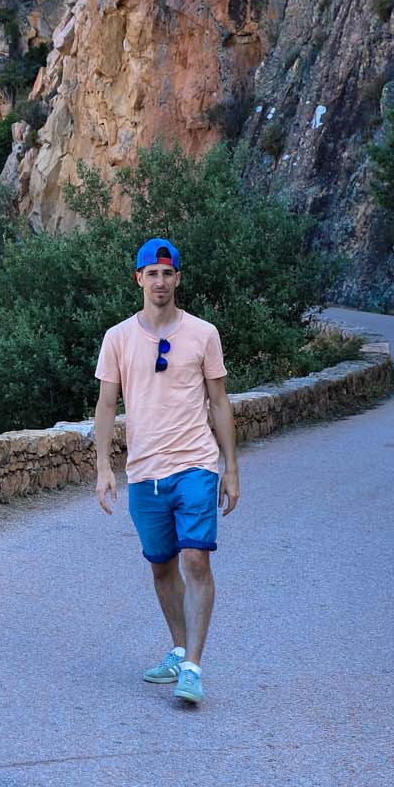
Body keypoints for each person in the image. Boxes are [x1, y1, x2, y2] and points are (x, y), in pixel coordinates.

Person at [92, 237, 238, 706]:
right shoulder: (117, 338)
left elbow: (219, 402)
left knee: (196, 559)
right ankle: (179, 650)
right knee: (161, 566)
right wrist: (103, 467)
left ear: (178, 277)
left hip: (195, 463)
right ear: (138, 278)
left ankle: (193, 667)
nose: (160, 281)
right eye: (151, 274)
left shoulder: (203, 334)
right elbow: (105, 405)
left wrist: (230, 469)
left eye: (167, 273)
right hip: (144, 471)